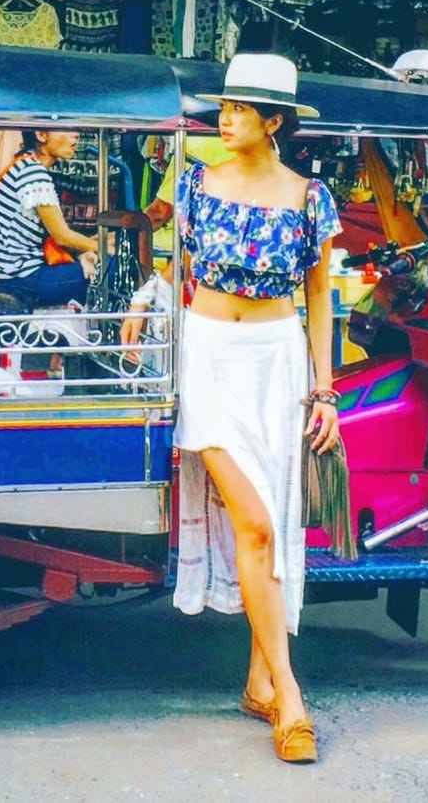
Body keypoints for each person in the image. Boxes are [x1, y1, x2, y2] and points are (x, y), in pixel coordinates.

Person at [166, 52, 342, 764]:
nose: (226, 117)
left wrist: (324, 389)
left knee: (269, 526)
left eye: (241, 109)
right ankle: (291, 697)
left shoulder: (309, 197)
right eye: (225, 106)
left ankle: (256, 679)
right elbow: (174, 268)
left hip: (277, 358)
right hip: (209, 354)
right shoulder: (195, 183)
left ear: (274, 122)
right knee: (257, 523)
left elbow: (321, 297)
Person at [0, 130, 99, 306]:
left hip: (12, 278)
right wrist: (102, 249)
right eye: (66, 129)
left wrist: (85, 251)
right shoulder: (33, 173)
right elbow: (62, 237)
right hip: (24, 280)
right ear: (41, 135)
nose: (74, 135)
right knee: (112, 266)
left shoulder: (23, 166)